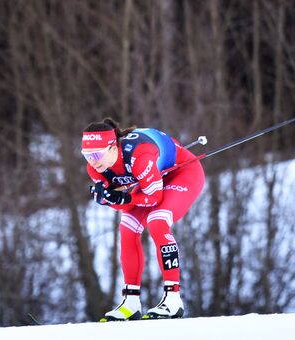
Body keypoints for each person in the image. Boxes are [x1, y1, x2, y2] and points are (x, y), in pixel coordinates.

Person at [81, 117, 205, 320]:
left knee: (157, 220)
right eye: (86, 155)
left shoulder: (139, 155)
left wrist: (122, 197)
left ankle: (173, 299)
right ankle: (131, 302)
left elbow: (154, 198)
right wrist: (110, 199)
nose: (92, 161)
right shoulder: (95, 167)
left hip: (182, 173)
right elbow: (123, 202)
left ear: (113, 147)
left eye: (96, 154)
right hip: (151, 180)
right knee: (127, 227)